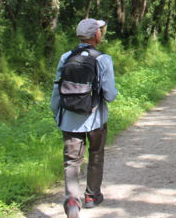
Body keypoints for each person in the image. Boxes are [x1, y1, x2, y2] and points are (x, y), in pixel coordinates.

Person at [50, 18, 118, 218]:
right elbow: (110, 95)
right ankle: (92, 196)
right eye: (100, 31)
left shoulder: (66, 57)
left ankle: (72, 201)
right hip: (95, 119)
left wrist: (56, 111)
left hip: (69, 118)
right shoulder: (102, 59)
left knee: (71, 160)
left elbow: (57, 87)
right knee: (96, 154)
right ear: (96, 35)